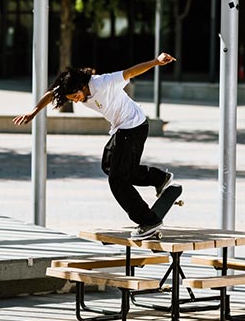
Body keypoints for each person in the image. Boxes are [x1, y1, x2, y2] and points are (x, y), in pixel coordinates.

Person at [13, 53, 179, 239]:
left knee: (117, 180)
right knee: (109, 166)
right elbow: (52, 93)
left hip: (133, 127)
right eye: (72, 99)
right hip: (122, 128)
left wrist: (156, 61)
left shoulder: (104, 82)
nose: (76, 100)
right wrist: (33, 112)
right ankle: (159, 178)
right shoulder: (71, 85)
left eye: (77, 96)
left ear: (83, 86)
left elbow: (131, 72)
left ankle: (148, 220)